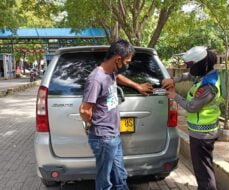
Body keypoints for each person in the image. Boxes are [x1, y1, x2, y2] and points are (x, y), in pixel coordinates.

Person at [79, 39, 153, 190]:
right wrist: (97, 125)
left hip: (113, 135)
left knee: (120, 175)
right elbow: (84, 110)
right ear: (118, 59)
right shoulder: (96, 79)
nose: (128, 65)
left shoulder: (110, 72)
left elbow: (118, 78)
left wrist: (136, 85)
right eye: (127, 61)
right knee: (104, 181)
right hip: (104, 137)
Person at [162, 46, 221, 190]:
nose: (188, 69)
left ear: (200, 64)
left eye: (190, 66)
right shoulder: (206, 74)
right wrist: (174, 79)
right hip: (201, 133)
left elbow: (192, 107)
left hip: (203, 136)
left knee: (203, 173)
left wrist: (174, 95)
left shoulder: (208, 85)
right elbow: (189, 76)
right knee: (203, 169)